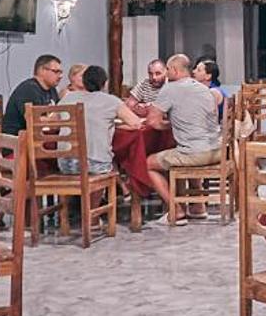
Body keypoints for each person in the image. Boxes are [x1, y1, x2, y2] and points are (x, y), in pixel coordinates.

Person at [146, 53, 223, 219]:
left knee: (148, 164)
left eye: (167, 69)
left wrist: (170, 125)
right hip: (218, 150)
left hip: (195, 154)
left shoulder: (170, 89)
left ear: (174, 70)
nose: (166, 73)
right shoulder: (204, 89)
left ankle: (176, 209)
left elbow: (152, 122)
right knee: (184, 149)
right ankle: (198, 207)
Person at [69, 64, 136, 175]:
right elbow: (135, 123)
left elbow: (53, 121)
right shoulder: (111, 101)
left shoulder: (68, 97)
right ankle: (115, 185)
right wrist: (112, 124)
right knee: (113, 163)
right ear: (105, 83)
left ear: (84, 82)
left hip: (65, 164)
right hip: (95, 164)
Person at [1, 53, 63, 135]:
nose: (61, 76)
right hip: (18, 136)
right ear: (42, 71)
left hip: (40, 134)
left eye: (61, 72)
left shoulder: (52, 89)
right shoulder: (28, 89)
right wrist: (54, 119)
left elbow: (58, 113)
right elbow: (33, 120)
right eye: (56, 71)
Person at [194, 56, 226, 123]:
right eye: (195, 69)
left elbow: (209, 117)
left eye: (198, 70)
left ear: (208, 76)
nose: (193, 72)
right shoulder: (206, 90)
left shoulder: (213, 92)